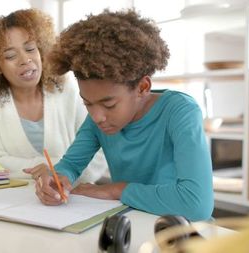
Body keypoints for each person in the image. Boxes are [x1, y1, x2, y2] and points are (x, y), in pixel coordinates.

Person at [33, 9, 214, 221]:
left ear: (142, 87)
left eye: (108, 104)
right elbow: (71, 165)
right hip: (132, 222)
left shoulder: (179, 111)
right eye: (87, 103)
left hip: (185, 231)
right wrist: (57, 179)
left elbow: (197, 205)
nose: (97, 116)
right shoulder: (98, 119)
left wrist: (117, 190)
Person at [0, 8, 106, 182]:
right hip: (14, 200)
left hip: (72, 195)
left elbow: (98, 155)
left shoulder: (65, 87)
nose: (25, 59)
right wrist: (55, 167)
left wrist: (55, 171)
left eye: (30, 49)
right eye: (10, 56)